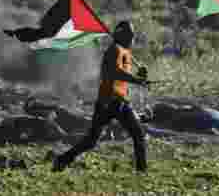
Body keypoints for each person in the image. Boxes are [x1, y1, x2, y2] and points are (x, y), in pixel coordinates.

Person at [52, 20, 150, 173]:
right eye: (130, 35)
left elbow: (123, 77)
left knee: (136, 134)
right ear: (123, 36)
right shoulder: (113, 51)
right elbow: (114, 73)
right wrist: (137, 80)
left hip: (120, 102)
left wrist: (140, 75)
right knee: (92, 141)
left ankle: (142, 172)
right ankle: (62, 160)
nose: (132, 38)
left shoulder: (124, 52)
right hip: (108, 102)